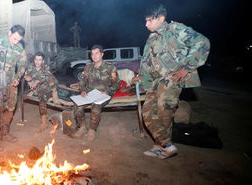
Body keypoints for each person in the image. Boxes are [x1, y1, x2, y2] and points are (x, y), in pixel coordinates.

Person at [133, 4, 210, 159]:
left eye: (149, 20)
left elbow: (203, 42)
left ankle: (167, 146)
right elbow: (148, 62)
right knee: (147, 114)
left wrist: (188, 66)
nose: (146, 24)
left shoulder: (175, 30)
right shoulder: (152, 37)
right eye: (145, 21)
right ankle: (159, 144)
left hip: (170, 78)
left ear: (161, 18)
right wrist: (140, 76)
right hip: (155, 81)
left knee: (163, 109)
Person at [73, 45, 119, 141]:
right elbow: (82, 82)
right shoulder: (88, 67)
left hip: (104, 94)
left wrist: (108, 91)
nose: (94, 56)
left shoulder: (110, 67)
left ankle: (92, 130)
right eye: (92, 54)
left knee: (96, 107)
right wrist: (83, 90)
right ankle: (82, 127)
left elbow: (116, 84)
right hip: (90, 93)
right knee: (77, 106)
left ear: (102, 54)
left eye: (97, 53)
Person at [24, 52, 61, 132]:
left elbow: (47, 76)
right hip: (39, 88)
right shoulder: (30, 67)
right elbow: (26, 76)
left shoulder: (46, 67)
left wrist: (37, 81)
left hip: (48, 85)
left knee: (52, 79)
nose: (37, 62)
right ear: (34, 60)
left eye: (40, 60)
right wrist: (28, 80)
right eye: (36, 59)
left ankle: (55, 94)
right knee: (42, 101)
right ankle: (44, 122)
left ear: (43, 61)